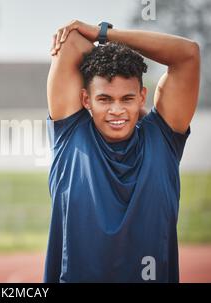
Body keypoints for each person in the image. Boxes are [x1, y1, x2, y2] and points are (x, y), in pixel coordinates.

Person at [44, 20, 200, 282]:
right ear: (86, 100)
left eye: (127, 98)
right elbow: (71, 42)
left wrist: (103, 35)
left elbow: (189, 54)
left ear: (141, 97)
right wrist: (107, 52)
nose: (116, 110)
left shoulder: (162, 139)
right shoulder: (70, 135)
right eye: (104, 99)